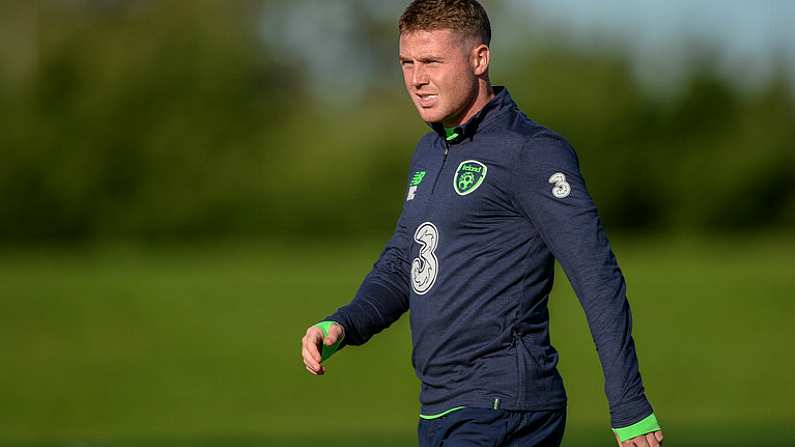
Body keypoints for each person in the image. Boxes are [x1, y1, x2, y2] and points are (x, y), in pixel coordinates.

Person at [300, 1, 664, 446]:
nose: (417, 79)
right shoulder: (429, 153)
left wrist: (629, 404)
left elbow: (596, 275)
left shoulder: (529, 151)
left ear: (479, 59)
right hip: (442, 407)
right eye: (407, 63)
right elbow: (405, 261)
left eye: (432, 61)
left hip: (503, 406)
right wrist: (344, 324)